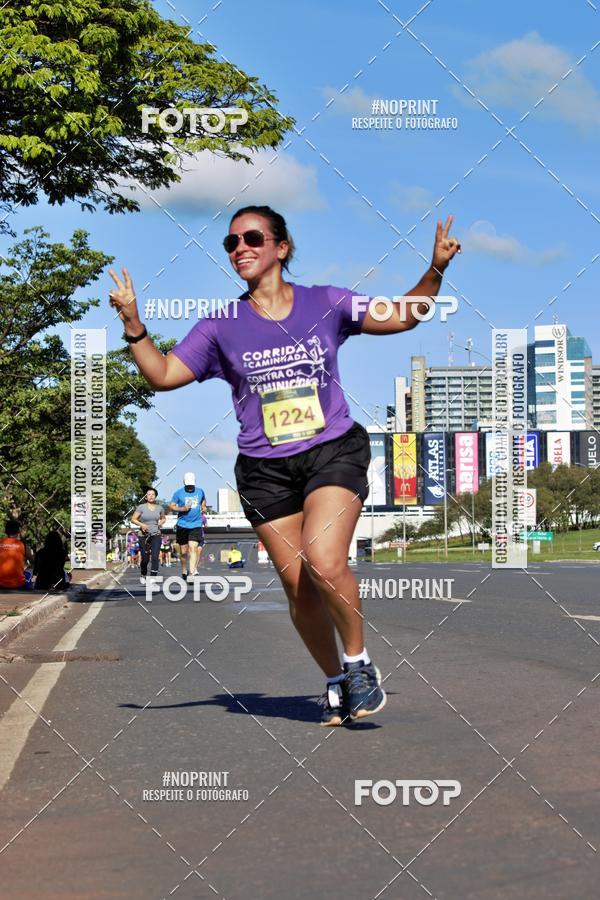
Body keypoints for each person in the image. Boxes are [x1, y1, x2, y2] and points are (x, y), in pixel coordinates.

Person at [109, 205, 460, 725]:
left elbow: (404, 314)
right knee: (298, 587)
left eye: (252, 238)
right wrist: (134, 326)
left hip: (331, 451)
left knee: (324, 560)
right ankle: (336, 681)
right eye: (231, 243)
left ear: (281, 246)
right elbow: (162, 375)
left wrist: (435, 269)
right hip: (264, 469)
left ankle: (359, 664)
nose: (240, 248)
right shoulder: (221, 326)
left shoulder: (325, 302)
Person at [168, 473, 207, 581]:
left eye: (192, 485)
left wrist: (204, 507)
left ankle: (191, 573)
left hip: (196, 524)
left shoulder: (200, 491)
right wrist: (182, 509)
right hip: (182, 525)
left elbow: (203, 501)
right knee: (184, 552)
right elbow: (171, 506)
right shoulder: (178, 493)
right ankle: (184, 570)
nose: (190, 487)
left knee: (193, 548)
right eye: (188, 485)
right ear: (184, 482)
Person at [131, 488, 166, 584]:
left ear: (155, 497)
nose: (151, 496)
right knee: (145, 558)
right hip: (143, 536)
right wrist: (142, 525)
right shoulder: (141, 507)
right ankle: (143, 573)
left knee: (155, 557)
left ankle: (153, 578)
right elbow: (133, 519)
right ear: (146, 497)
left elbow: (163, 518)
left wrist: (161, 523)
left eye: (153, 494)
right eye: (149, 494)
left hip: (156, 534)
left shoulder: (160, 508)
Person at [0, 520, 34, 590]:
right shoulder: (23, 545)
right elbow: (32, 560)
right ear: (18, 531)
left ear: (6, 531)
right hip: (19, 584)